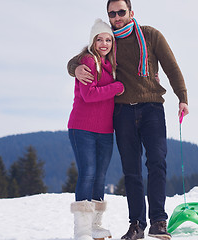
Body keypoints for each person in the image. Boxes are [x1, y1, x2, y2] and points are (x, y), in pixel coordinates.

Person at [68, 1, 189, 239]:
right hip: (122, 112)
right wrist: (74, 68)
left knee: (157, 162)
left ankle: (158, 221)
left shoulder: (150, 35)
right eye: (112, 13)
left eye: (121, 12)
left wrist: (182, 97)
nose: (117, 17)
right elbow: (81, 58)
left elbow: (171, 66)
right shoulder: (107, 40)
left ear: (131, 13)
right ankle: (136, 224)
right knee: (131, 170)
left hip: (152, 107)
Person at [68, 18, 125, 240]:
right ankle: (81, 231)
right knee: (88, 173)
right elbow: (89, 95)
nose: (103, 43)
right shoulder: (88, 61)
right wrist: (116, 87)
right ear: (92, 41)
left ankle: (95, 226)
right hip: (82, 127)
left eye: (108, 39)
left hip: (105, 130)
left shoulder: (112, 65)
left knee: (100, 176)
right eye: (99, 39)